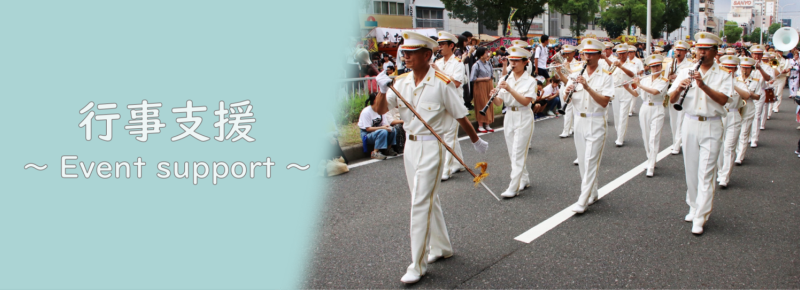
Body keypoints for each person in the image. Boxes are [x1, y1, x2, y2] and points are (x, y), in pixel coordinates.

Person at [375, 31, 488, 285]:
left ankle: (417, 264)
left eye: (411, 53)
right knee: (426, 199)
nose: (406, 57)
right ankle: (442, 247)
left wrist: (475, 140)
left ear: (427, 55)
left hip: (432, 147)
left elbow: (460, 115)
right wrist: (381, 90)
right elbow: (381, 110)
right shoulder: (401, 82)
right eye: (404, 53)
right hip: (410, 149)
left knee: (419, 204)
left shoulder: (441, 82)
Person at [667, 32, 732, 235]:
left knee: (706, 172)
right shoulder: (686, 71)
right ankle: (693, 206)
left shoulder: (723, 74)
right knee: (691, 170)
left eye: (706, 49)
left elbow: (723, 100)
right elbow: (671, 99)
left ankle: (701, 216)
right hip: (689, 123)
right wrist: (680, 88)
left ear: (715, 52)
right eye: (699, 49)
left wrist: (702, 85)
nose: (701, 53)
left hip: (711, 124)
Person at [562, 39, 614, 214]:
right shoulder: (575, 72)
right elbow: (565, 98)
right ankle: (592, 192)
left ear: (599, 55)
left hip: (596, 121)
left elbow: (604, 102)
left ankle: (582, 200)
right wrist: (568, 91)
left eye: (592, 54)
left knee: (591, 161)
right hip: (579, 121)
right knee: (583, 162)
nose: (588, 57)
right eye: (585, 53)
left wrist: (587, 87)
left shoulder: (606, 75)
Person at [490, 46, 537, 198]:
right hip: (509, 116)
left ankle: (513, 186)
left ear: (525, 62)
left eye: (517, 61)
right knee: (512, 152)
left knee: (518, 152)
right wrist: (492, 96)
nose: (513, 63)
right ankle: (523, 179)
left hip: (523, 116)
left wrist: (510, 89)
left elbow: (525, 101)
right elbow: (499, 103)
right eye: (511, 60)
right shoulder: (505, 78)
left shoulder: (530, 81)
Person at [624, 54, 669, 177]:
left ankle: (651, 165)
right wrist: (627, 87)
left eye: (657, 66)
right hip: (645, 108)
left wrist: (639, 85)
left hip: (657, 108)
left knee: (654, 138)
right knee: (646, 136)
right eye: (653, 67)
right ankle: (651, 159)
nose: (655, 69)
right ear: (650, 67)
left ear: (661, 66)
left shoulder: (664, 81)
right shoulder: (645, 79)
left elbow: (655, 92)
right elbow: (634, 94)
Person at [434, 31, 468, 181]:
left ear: (451, 45)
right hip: (441, 103)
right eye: (439, 44)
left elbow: (456, 83)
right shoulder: (439, 62)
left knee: (449, 136)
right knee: (449, 135)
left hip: (454, 103)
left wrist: (438, 72)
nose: (439, 47)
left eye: (442, 44)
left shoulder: (458, 63)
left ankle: (446, 169)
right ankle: (459, 162)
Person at [717, 55, 751, 188]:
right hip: (720, 114)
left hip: (733, 115)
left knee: (729, 147)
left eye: (732, 68)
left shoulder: (739, 82)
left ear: (736, 69)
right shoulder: (717, 82)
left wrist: (732, 83)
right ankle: (720, 172)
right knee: (719, 147)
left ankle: (725, 176)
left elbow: (747, 95)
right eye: (726, 68)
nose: (729, 70)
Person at [665, 40, 695, 155]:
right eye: (677, 50)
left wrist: (676, 77)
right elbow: (666, 77)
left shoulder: (690, 65)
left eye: (681, 51)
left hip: (683, 93)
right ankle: (675, 141)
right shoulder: (670, 64)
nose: (679, 52)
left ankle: (677, 144)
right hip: (672, 92)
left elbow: (689, 78)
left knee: (681, 120)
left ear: (686, 52)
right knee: (673, 121)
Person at [734, 57, 764, 165]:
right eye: (743, 68)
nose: (745, 70)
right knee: (736, 131)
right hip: (737, 106)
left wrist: (750, 94)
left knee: (744, 132)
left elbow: (758, 97)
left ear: (751, 69)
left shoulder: (756, 81)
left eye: (747, 68)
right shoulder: (736, 80)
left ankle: (740, 156)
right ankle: (737, 151)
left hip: (749, 106)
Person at [359, 93, 401, 160]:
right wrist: (382, 128)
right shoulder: (366, 112)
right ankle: (375, 152)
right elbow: (368, 129)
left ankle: (388, 149)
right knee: (383, 131)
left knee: (392, 129)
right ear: (375, 101)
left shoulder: (381, 110)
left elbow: (384, 124)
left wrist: (387, 127)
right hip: (367, 135)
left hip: (378, 131)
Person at [610, 44, 637, 147]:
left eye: (623, 53)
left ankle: (620, 138)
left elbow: (632, 74)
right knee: (616, 115)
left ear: (627, 53)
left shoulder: (631, 64)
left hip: (626, 90)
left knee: (623, 115)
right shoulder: (613, 63)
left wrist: (621, 66)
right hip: (615, 90)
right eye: (619, 53)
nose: (621, 55)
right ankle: (619, 134)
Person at [750, 46, 774, 147]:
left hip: (760, 92)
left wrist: (760, 69)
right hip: (747, 92)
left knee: (756, 116)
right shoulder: (746, 64)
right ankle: (746, 136)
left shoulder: (766, 67)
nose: (757, 56)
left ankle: (754, 139)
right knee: (747, 116)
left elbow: (768, 78)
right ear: (752, 54)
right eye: (755, 54)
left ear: (762, 55)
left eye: (759, 54)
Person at [471, 47, 495, 132]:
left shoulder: (488, 63)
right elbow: (473, 78)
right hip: (480, 85)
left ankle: (487, 123)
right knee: (481, 103)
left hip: (489, 84)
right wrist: (484, 79)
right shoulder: (476, 65)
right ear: (481, 55)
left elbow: (491, 74)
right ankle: (480, 125)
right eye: (485, 53)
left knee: (489, 102)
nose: (487, 54)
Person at [769, 49, 791, 116]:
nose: (779, 53)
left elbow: (788, 68)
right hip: (774, 78)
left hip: (782, 77)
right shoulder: (772, 59)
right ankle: (771, 106)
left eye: (780, 52)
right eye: (777, 52)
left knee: (779, 92)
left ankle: (776, 107)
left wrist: (786, 71)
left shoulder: (785, 60)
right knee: (773, 92)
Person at [627, 45, 646, 116]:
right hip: (628, 79)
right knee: (628, 94)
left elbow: (642, 71)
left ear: (634, 52)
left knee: (634, 94)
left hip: (635, 79)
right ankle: (631, 108)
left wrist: (635, 73)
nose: (629, 53)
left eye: (631, 52)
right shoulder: (627, 60)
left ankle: (630, 110)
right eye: (628, 52)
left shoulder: (638, 61)